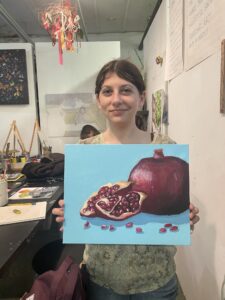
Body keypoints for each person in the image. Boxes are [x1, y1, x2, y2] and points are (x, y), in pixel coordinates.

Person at [52, 59, 200, 300]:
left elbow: (173, 203)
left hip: (157, 278)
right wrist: (67, 215)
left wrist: (186, 217)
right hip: (102, 278)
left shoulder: (165, 147)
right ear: (98, 100)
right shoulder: (84, 150)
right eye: (107, 91)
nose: (116, 99)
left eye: (126, 90)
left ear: (141, 98)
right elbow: (81, 211)